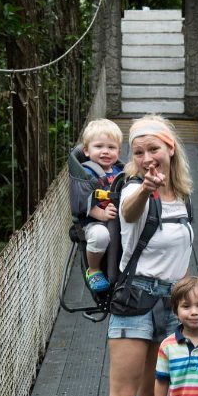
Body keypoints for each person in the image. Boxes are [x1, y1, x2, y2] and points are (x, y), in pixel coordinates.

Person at [90, 115, 194, 396]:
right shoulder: (134, 189)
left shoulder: (185, 195)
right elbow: (129, 213)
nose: (148, 157)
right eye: (138, 152)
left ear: (171, 148)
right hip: (135, 302)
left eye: (154, 148)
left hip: (170, 305)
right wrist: (146, 188)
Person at [79, 118, 123, 293]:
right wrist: (102, 215)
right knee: (100, 235)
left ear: (118, 151)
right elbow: (82, 202)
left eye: (111, 147)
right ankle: (94, 270)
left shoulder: (121, 171)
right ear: (86, 151)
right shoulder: (85, 173)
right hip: (94, 221)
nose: (105, 151)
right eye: (99, 147)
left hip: (119, 220)